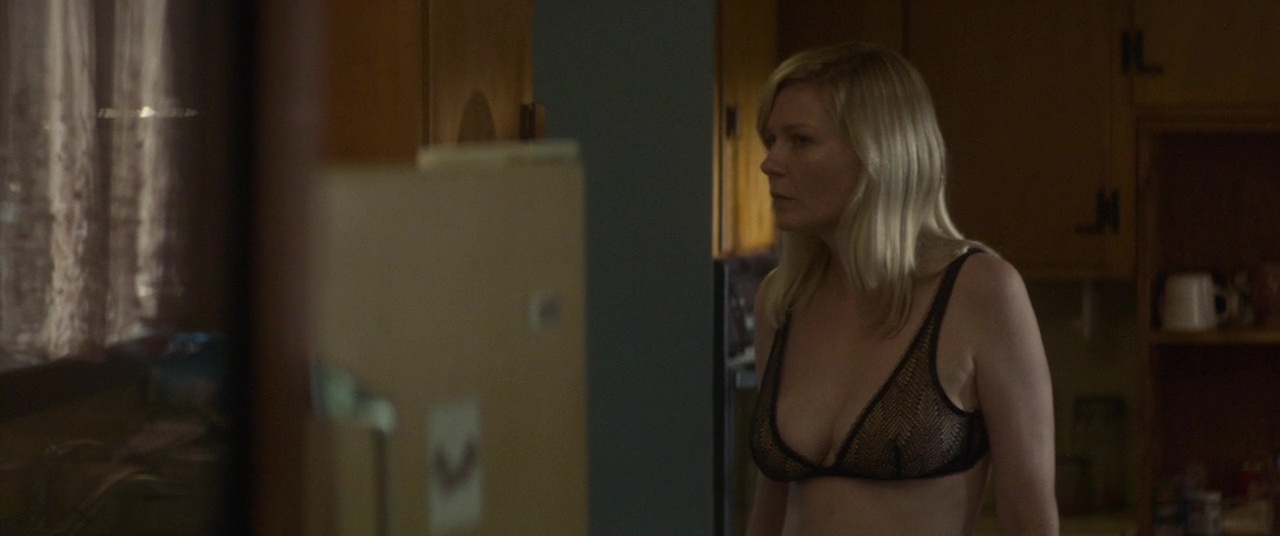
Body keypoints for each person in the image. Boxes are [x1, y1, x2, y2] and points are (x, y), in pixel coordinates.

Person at [745, 42, 1058, 535]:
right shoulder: (782, 300)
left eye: (800, 141)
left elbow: (1030, 520)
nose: (770, 162)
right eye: (771, 139)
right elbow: (769, 510)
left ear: (877, 155)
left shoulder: (980, 292)